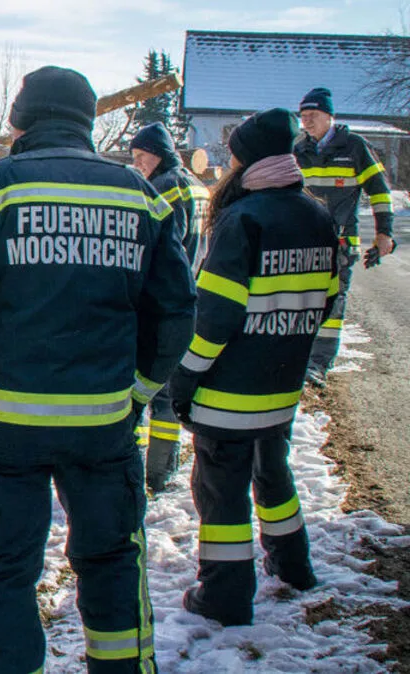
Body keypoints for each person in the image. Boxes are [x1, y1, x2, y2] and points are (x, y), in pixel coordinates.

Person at [0, 66, 196, 673]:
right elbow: (174, 312)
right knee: (113, 561)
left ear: (18, 121)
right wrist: (137, 391)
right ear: (88, 121)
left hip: (2, 432)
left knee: (3, 572)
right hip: (103, 428)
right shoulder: (137, 194)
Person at [168, 109, 339, 626]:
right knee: (275, 476)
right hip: (280, 388)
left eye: (233, 156)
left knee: (221, 497)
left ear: (247, 162)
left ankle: (225, 593)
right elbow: (327, 301)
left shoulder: (242, 221)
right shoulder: (317, 216)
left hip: (229, 394)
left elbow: (213, 320)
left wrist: (185, 379)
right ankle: (293, 565)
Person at [294, 87, 397, 387]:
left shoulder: (353, 147)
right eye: (303, 117)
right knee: (302, 304)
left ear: (329, 116)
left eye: (312, 116)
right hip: (305, 244)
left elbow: (379, 191)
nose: (307, 122)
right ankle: (298, 359)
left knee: (333, 306)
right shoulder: (299, 150)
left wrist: (384, 233)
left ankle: (317, 365)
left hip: (340, 243)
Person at [129, 122, 212, 492]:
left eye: (141, 157)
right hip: (194, 297)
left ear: (157, 153)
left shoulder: (164, 188)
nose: (138, 164)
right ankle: (165, 463)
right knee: (169, 389)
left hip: (162, 305)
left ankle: (152, 470)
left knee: (150, 392)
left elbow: (162, 251)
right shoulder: (197, 184)